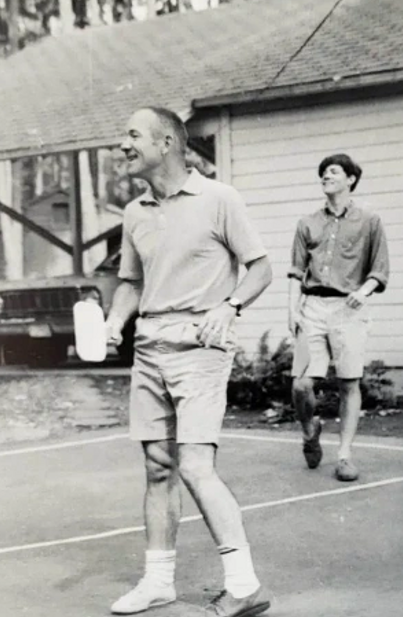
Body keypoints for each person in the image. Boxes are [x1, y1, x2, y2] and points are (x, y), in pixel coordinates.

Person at [106, 106, 273, 617]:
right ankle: (158, 583)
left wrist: (230, 306)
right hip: (149, 348)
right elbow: (131, 282)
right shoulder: (134, 212)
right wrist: (115, 321)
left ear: (167, 143)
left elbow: (260, 268)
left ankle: (244, 585)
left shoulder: (219, 198)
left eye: (133, 135)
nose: (124, 145)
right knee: (158, 467)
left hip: (201, 348)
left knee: (196, 467)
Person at [288, 153, 390, 483]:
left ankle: (344, 456)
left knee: (349, 383)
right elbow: (296, 272)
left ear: (351, 179)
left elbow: (379, 269)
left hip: (349, 310)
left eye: (333, 172)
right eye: (323, 173)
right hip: (312, 308)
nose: (326, 176)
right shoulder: (307, 223)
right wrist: (292, 309)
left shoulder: (370, 221)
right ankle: (310, 430)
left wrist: (364, 291)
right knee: (301, 384)